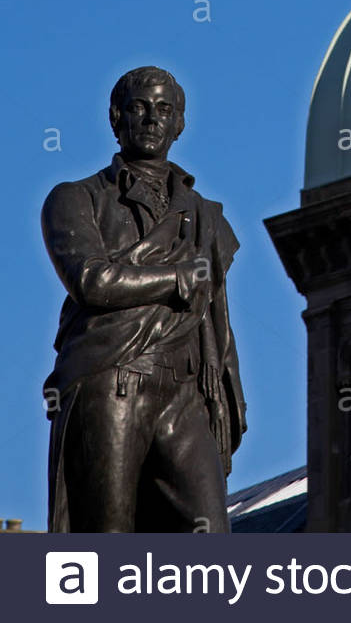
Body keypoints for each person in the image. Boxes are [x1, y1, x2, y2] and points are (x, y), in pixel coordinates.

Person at [41, 66, 246, 532]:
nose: (152, 120)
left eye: (164, 110)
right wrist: (175, 277)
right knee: (108, 539)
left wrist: (229, 397)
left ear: (179, 125)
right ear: (116, 119)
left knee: (210, 542)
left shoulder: (203, 215)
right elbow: (91, 280)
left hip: (186, 391)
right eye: (139, 108)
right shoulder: (76, 199)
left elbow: (218, 318)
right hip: (113, 380)